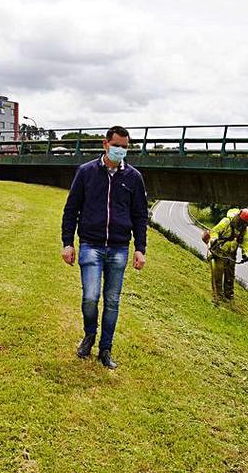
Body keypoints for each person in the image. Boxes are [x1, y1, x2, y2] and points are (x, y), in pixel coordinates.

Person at [61, 125, 148, 369]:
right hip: (91, 245)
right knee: (90, 297)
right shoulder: (86, 172)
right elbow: (71, 209)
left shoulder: (134, 178)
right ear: (105, 144)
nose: (120, 150)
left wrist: (140, 248)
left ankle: (105, 349)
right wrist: (68, 243)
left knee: (112, 300)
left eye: (125, 147)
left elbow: (141, 215)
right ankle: (89, 335)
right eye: (117, 145)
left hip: (119, 248)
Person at [206, 207, 248, 304]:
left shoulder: (244, 229)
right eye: (241, 221)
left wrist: (246, 253)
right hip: (220, 250)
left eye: (244, 222)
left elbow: (246, 242)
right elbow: (214, 231)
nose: (242, 223)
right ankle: (218, 294)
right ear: (238, 216)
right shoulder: (227, 221)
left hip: (232, 253)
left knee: (230, 274)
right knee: (218, 272)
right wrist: (213, 239)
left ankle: (229, 295)